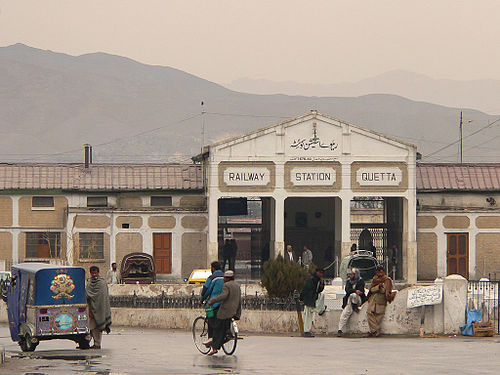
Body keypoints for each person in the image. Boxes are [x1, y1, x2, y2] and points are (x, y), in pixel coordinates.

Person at [207, 270, 242, 356]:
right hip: (234, 310)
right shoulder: (237, 285)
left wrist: (212, 301)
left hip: (225, 311)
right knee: (224, 325)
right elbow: (239, 300)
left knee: (216, 326)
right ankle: (226, 334)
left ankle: (215, 347)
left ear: (227, 278)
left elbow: (223, 296)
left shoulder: (226, 285)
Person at [366, 266, 396, 337]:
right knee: (369, 313)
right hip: (373, 300)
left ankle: (373, 331)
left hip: (381, 300)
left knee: (378, 316)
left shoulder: (387, 280)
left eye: (381, 271)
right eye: (378, 271)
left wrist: (380, 288)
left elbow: (385, 291)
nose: (380, 273)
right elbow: (372, 289)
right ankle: (375, 329)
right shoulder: (375, 279)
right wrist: (378, 287)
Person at [86, 266, 112, 349]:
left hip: (100, 309)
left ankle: (97, 344)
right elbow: (87, 293)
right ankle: (88, 343)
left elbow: (102, 297)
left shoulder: (101, 283)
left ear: (98, 272)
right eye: (92, 273)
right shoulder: (89, 282)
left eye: (95, 273)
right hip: (90, 308)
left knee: (98, 327)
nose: (94, 274)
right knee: (91, 327)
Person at [200, 261, 225, 347]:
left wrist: (201, 300)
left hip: (213, 304)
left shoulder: (212, 278)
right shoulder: (225, 277)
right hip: (224, 304)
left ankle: (210, 337)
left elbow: (206, 291)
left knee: (210, 316)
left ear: (213, 268)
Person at [337, 268, 366, 337]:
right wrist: (355, 290)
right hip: (349, 300)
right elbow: (347, 290)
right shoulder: (349, 281)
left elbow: (361, 291)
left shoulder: (361, 281)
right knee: (345, 313)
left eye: (352, 274)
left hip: (358, 299)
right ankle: (340, 329)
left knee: (354, 295)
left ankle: (355, 305)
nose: (350, 275)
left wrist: (354, 291)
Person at [300, 268, 326, 337]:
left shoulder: (317, 280)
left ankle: (320, 309)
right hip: (309, 299)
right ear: (317, 272)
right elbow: (306, 289)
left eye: (321, 273)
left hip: (312, 299)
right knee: (308, 315)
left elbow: (319, 291)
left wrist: (322, 284)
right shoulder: (311, 279)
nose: (321, 274)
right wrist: (302, 298)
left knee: (310, 315)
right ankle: (306, 331)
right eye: (320, 272)